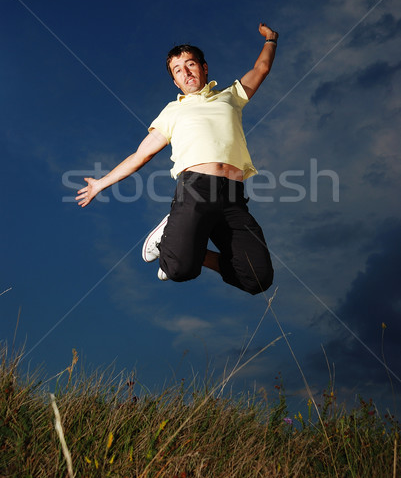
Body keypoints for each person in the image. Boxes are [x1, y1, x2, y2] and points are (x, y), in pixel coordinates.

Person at [76, 23, 278, 295]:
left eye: (191, 65)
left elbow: (260, 69)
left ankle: (182, 246)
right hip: (196, 188)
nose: (186, 73)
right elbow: (141, 154)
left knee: (257, 279)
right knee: (179, 270)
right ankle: (170, 242)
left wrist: (271, 40)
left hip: (233, 197)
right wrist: (101, 183)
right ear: (175, 81)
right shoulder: (172, 112)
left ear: (204, 68)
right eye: (178, 71)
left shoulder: (230, 96)